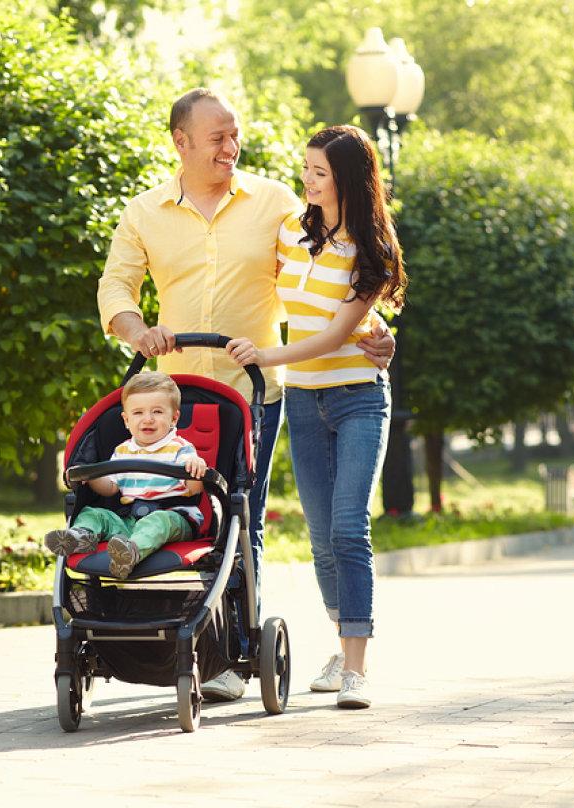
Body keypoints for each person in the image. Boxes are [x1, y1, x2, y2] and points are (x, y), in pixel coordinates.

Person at [97, 88, 396, 702]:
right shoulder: (144, 212)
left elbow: (333, 267)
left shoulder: (276, 205)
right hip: (175, 396)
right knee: (173, 512)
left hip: (252, 392)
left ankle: (232, 653)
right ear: (181, 142)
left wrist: (375, 327)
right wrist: (137, 331)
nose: (231, 148)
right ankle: (195, 641)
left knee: (243, 518)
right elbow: (116, 288)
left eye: (236, 136)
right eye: (217, 139)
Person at [226, 124, 407, 709]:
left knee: (350, 528)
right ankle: (341, 642)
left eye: (319, 172)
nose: (306, 180)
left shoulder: (370, 249)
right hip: (304, 400)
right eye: (304, 168)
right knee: (321, 540)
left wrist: (266, 354)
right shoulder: (290, 232)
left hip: (356, 394)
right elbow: (262, 286)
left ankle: (356, 667)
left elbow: (334, 335)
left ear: (348, 179)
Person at [44, 372, 208, 579]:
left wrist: (196, 467)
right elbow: (111, 487)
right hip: (131, 520)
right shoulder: (122, 451)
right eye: (138, 413)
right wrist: (92, 476)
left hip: (175, 517)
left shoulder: (181, 449)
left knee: (158, 521)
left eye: (157, 412)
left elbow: (195, 489)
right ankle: (81, 536)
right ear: (126, 419)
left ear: (174, 417)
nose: (148, 419)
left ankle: (130, 552)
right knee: (93, 513)